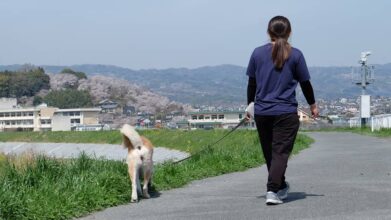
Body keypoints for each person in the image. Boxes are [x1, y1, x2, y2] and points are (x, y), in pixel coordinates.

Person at [246, 15, 319, 205]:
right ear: (290, 33)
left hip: (262, 112)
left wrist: (249, 106)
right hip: (285, 112)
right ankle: (272, 190)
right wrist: (313, 105)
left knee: (271, 154)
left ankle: (280, 185)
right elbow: (305, 83)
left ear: (268, 32)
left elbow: (252, 83)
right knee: (280, 153)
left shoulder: (257, 53)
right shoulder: (296, 54)